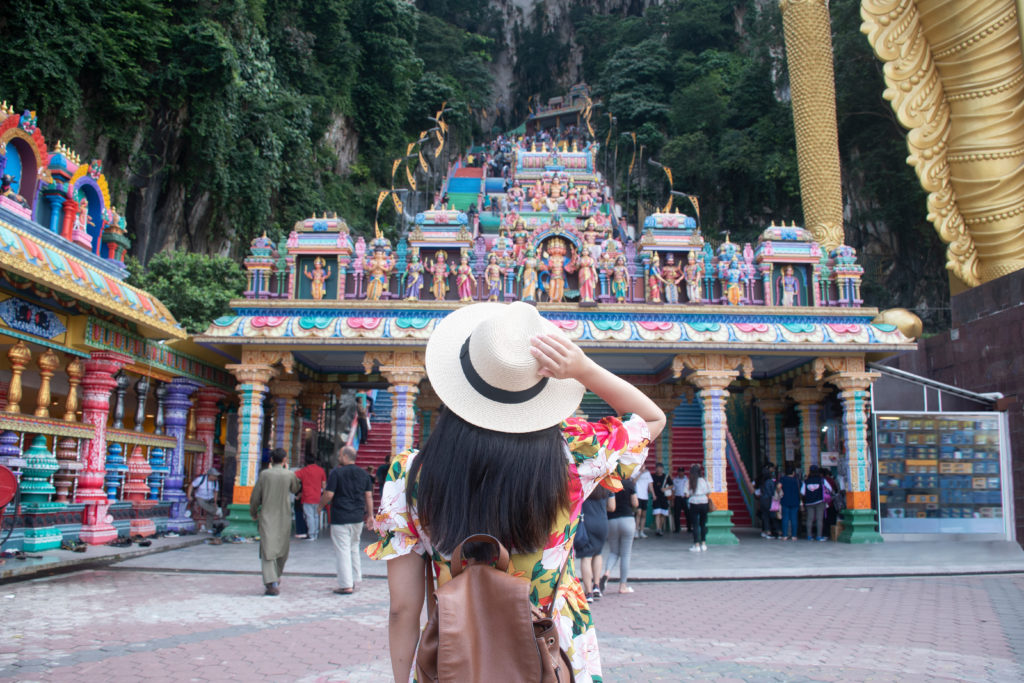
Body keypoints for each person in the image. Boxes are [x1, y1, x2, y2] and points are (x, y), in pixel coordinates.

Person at [366, 301, 666, 682]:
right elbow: (652, 418)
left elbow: (403, 610)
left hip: (458, 656)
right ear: (541, 387)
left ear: (460, 379)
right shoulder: (575, 454)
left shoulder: (410, 473)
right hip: (553, 650)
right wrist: (583, 368)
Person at [320, 446, 374, 595]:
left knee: (342, 550)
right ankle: (355, 578)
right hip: (357, 517)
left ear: (344, 456)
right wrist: (370, 515)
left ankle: (346, 584)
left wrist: (320, 506)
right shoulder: (364, 474)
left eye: (340, 455)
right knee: (353, 547)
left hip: (340, 517)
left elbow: (329, 495)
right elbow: (368, 496)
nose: (338, 457)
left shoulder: (336, 473)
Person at [249, 448, 301, 595]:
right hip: (284, 516)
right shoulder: (290, 474)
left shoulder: (264, 474)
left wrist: (253, 512)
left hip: (267, 516)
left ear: (271, 460)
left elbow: (255, 497)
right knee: (282, 548)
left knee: (267, 549)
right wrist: (288, 471)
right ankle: (274, 578)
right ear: (284, 459)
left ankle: (271, 579)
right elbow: (296, 489)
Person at [601, 476, 638, 595]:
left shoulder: (608, 483)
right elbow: (635, 503)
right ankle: (623, 585)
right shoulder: (629, 484)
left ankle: (607, 573)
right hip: (627, 519)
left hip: (612, 521)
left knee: (613, 552)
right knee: (625, 554)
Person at [574, 487, 612, 601]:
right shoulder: (607, 485)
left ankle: (588, 592)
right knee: (598, 553)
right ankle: (596, 587)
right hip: (602, 522)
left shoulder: (584, 483)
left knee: (586, 557)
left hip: (586, 523)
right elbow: (612, 506)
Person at [294, 455, 327, 541]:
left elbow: (293, 476)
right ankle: (315, 533)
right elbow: (324, 485)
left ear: (306, 462)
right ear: (315, 461)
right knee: (316, 516)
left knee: (309, 516)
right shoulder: (321, 470)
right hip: (318, 497)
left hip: (307, 497)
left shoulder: (304, 470)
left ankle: (311, 534)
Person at [802, 466, 833, 541]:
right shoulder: (822, 480)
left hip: (809, 502)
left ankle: (809, 536)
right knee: (819, 519)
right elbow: (830, 488)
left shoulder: (806, 481)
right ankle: (819, 536)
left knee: (810, 519)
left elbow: (802, 492)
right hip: (820, 501)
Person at [684, 464, 710, 552]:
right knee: (703, 524)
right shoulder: (704, 480)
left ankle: (696, 545)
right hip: (704, 503)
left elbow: (686, 494)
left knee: (695, 525)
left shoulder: (689, 481)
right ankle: (703, 544)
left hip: (694, 503)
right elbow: (708, 491)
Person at [187, 466, 222, 533]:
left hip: (210, 497)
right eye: (214, 476)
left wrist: (215, 502)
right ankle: (216, 511)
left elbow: (215, 492)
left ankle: (209, 528)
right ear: (210, 475)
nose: (216, 477)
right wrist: (189, 495)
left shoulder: (215, 482)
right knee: (203, 505)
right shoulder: (200, 479)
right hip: (200, 497)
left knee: (210, 513)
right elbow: (191, 486)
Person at [780, 466, 802, 541]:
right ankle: (794, 536)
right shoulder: (797, 480)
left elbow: (778, 487)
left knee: (785, 518)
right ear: (793, 473)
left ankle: (785, 535)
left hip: (785, 500)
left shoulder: (782, 479)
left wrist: (779, 492)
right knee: (794, 519)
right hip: (795, 501)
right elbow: (801, 491)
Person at [650, 462, 672, 536]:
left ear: (662, 469)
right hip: (656, 497)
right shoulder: (652, 476)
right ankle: (658, 529)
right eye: (657, 468)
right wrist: (653, 495)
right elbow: (650, 486)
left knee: (663, 514)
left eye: (660, 468)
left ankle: (660, 527)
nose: (658, 469)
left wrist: (665, 489)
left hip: (664, 498)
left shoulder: (666, 477)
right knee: (657, 513)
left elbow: (672, 485)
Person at [756, 463, 777, 539]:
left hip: (762, 499)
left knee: (765, 516)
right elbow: (772, 491)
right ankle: (770, 532)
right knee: (771, 516)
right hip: (769, 500)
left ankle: (765, 531)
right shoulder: (770, 481)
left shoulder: (761, 481)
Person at [633, 466, 653, 538]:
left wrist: (653, 494)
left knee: (643, 515)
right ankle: (636, 531)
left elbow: (650, 484)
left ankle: (642, 531)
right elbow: (633, 481)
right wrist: (640, 473)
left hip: (645, 496)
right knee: (638, 513)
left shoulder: (647, 473)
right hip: (638, 496)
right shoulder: (635, 472)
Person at [672, 466, 689, 533]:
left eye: (682, 471)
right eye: (679, 471)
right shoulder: (675, 480)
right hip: (678, 497)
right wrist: (673, 501)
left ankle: (689, 527)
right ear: (678, 472)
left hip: (685, 498)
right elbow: (673, 490)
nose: (681, 473)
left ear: (683, 472)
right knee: (677, 514)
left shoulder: (687, 480)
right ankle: (677, 528)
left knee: (687, 513)